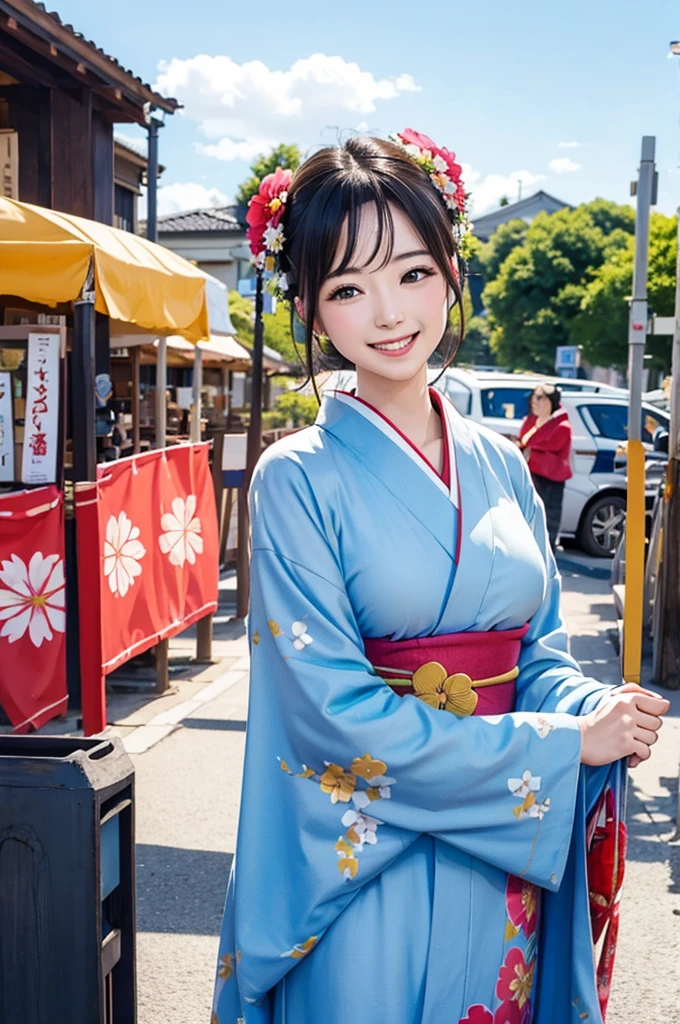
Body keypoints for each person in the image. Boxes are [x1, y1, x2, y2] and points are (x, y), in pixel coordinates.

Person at [212, 132, 669, 1024]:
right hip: (365, 877)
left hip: (503, 864)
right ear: (310, 309)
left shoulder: (500, 467)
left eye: (412, 273)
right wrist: (560, 747)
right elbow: (331, 716)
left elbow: (534, 658)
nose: (387, 312)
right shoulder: (296, 477)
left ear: (452, 268)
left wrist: (590, 712)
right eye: (348, 288)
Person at [517, 386, 573, 552]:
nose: (534, 401)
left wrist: (527, 450)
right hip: (530, 475)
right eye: (534, 397)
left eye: (540, 398)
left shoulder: (562, 426)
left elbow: (544, 446)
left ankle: (546, 553)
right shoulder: (530, 421)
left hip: (549, 479)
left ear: (551, 402)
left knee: (547, 518)